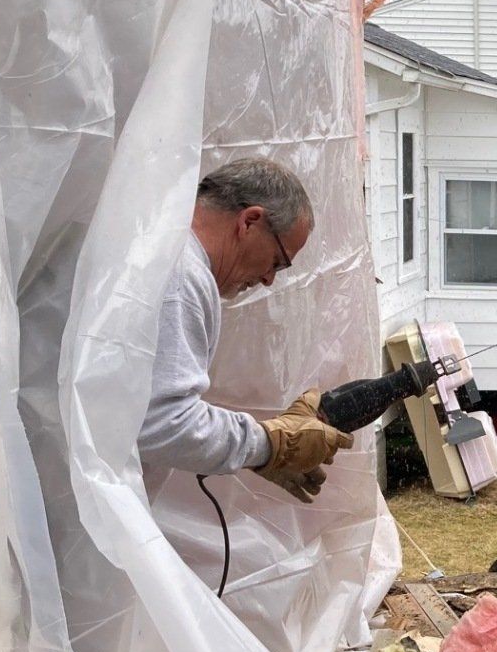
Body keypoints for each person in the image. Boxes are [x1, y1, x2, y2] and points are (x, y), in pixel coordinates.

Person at [139, 157, 351, 502]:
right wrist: (270, 444)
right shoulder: (182, 277)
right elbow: (165, 422)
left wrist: (261, 451)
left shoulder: (158, 244)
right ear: (250, 221)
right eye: (277, 262)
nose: (268, 279)